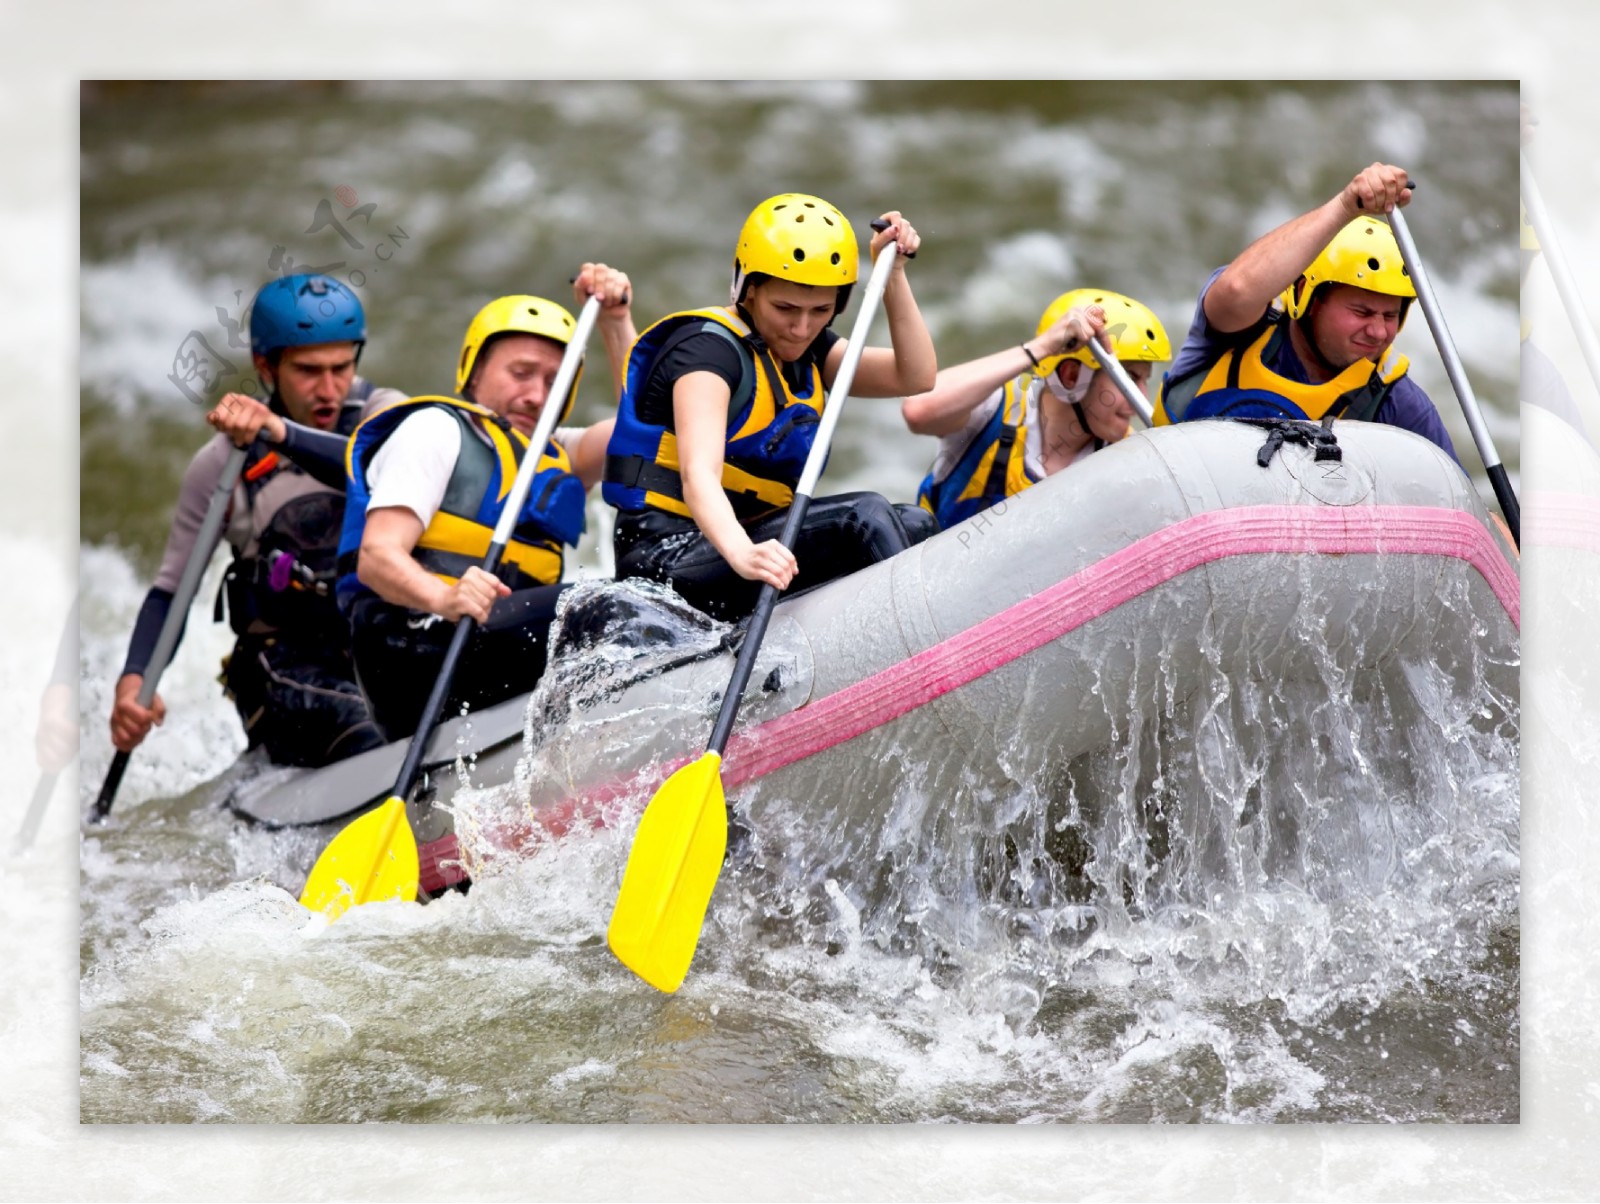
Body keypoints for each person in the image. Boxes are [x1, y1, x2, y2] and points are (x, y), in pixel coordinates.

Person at [604, 193, 937, 621]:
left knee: (913, 522)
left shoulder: (810, 351)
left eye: (821, 309)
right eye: (785, 308)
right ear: (749, 289)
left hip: (747, 544)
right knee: (865, 516)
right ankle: (915, 640)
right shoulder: (705, 353)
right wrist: (743, 554)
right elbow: (698, 476)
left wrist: (893, 275)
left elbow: (915, 376)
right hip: (666, 556)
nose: (801, 328)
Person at [110, 274, 398, 768]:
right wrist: (134, 682)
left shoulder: (384, 415)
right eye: (308, 371)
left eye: (341, 368)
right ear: (265, 366)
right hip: (284, 672)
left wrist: (282, 432)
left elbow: (371, 464)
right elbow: (170, 593)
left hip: (378, 643)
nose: (329, 388)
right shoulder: (221, 465)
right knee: (366, 728)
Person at [335, 266, 635, 740]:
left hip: (491, 647)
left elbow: (645, 430)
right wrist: (445, 597)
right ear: (474, 374)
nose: (536, 394)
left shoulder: (562, 454)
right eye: (520, 373)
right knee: (607, 609)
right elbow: (376, 557)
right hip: (414, 649)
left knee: (645, 599)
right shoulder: (435, 430)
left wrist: (615, 321)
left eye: (553, 381)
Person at [1154, 162, 1458, 461]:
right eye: (1362, 312)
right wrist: (1345, 206)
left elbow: (1459, 503)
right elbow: (1236, 290)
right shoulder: (1244, 328)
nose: (1378, 332)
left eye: (1390, 316)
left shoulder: (1397, 404)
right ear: (1306, 297)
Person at [905, 289, 1170, 527]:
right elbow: (918, 411)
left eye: (1144, 380)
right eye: (1130, 378)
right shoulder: (995, 407)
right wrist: (1041, 348)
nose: (1141, 398)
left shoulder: (1128, 456)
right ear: (1071, 376)